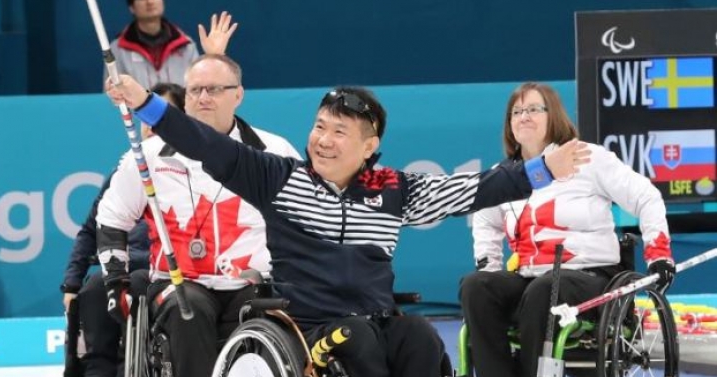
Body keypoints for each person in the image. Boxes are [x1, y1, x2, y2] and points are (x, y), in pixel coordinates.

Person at [104, 77, 591, 377]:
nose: (323, 140)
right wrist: (146, 102)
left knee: (420, 337)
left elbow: (476, 188)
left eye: (340, 132)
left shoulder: (394, 189)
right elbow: (205, 144)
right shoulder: (279, 178)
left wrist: (542, 169)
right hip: (307, 324)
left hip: (378, 318)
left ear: (369, 145)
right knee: (355, 338)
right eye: (319, 126)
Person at [96, 54, 301, 377]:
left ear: (239, 95)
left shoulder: (274, 151)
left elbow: (304, 219)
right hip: (179, 283)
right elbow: (112, 216)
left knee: (269, 313)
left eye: (215, 89)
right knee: (187, 310)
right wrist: (115, 285)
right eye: (195, 90)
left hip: (254, 283)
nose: (203, 98)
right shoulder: (148, 154)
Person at [458, 82, 675, 377]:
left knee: (545, 289)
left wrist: (659, 254)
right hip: (530, 278)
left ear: (554, 115)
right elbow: (485, 220)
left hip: (591, 276)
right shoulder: (504, 176)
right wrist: (490, 266)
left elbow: (646, 197)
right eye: (516, 111)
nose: (524, 116)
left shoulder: (588, 158)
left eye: (534, 109)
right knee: (476, 287)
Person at [61, 82, 186, 377]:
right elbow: (93, 228)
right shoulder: (127, 169)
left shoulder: (188, 168)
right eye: (145, 119)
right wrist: (71, 283)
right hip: (118, 266)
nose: (149, 127)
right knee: (93, 289)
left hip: (160, 270)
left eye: (158, 117)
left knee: (138, 286)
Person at [106, 0, 238, 87]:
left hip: (180, 114)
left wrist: (214, 55)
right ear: (131, 8)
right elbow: (111, 90)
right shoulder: (118, 49)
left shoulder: (186, 44)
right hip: (139, 115)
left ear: (163, 2)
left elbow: (201, 83)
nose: (149, 2)